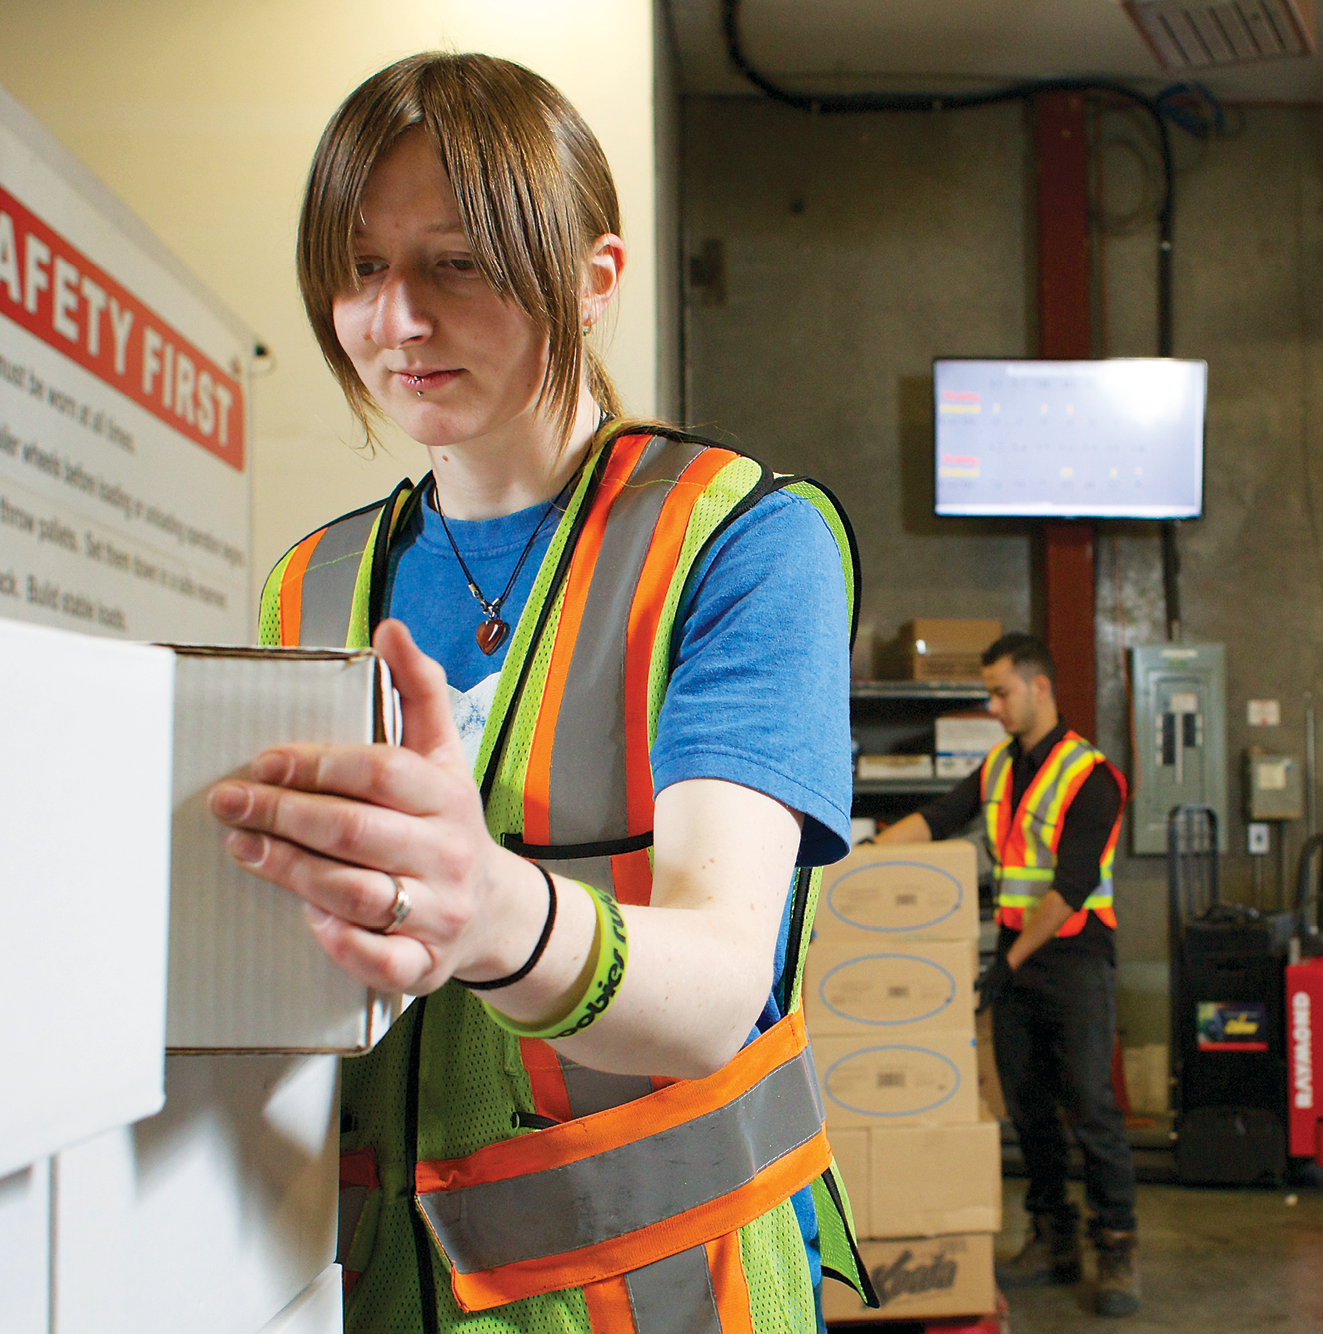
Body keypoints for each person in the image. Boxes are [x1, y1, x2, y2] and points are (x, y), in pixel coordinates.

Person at [206, 52, 873, 1334]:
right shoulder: (312, 584)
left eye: (456, 261)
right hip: (359, 1290)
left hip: (667, 1296)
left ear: (592, 275)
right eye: (357, 267)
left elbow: (718, 980)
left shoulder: (736, 542)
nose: (396, 316)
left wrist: (488, 908)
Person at [871, 632, 1139, 1317]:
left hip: (1074, 957)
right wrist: (858, 853)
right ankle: (1053, 1239)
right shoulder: (997, 769)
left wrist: (1005, 964)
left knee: (1090, 1102)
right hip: (1017, 957)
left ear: (1040, 687)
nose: (993, 706)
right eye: (989, 693)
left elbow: (1072, 886)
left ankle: (1116, 1243)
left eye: (1001, 691)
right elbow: (935, 821)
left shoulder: (1093, 778)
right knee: (1027, 1106)